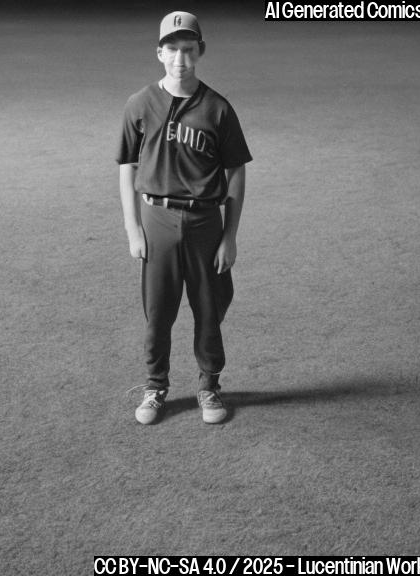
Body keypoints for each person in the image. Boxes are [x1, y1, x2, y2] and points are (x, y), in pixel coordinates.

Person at [116, 11, 252, 425]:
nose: (180, 59)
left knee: (209, 309)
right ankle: (155, 385)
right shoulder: (139, 104)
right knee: (158, 312)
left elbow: (236, 171)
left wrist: (230, 236)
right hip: (155, 219)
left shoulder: (217, 108)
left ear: (200, 52)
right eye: (172, 49)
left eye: (188, 50)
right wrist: (131, 228)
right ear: (160, 52)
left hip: (204, 221)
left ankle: (209, 386)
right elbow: (126, 167)